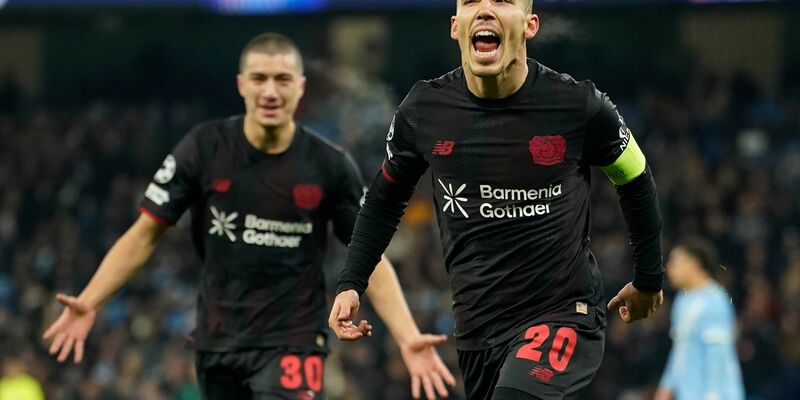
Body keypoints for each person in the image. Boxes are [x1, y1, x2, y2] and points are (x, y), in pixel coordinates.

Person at [42, 32, 455, 400]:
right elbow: (144, 234)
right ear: (241, 84)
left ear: (300, 87)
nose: (270, 91)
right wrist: (89, 301)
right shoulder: (203, 149)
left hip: (293, 343)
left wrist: (407, 336)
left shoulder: (329, 166)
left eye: (282, 79)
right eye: (259, 79)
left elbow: (370, 256)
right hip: (218, 345)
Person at [329, 1, 665, 399]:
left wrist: (648, 278)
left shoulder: (579, 106)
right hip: (477, 332)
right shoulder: (423, 111)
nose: (486, 9)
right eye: (472, 1)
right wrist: (352, 283)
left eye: (503, 0)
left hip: (562, 315)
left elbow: (635, 177)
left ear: (530, 25)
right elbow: (383, 202)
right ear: (456, 26)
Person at [655, 237, 745, 400]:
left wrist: (712, 395)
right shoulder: (682, 300)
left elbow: (718, 352)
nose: (669, 268)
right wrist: (666, 386)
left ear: (694, 264)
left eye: (675, 262)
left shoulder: (714, 300)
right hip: (688, 394)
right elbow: (680, 348)